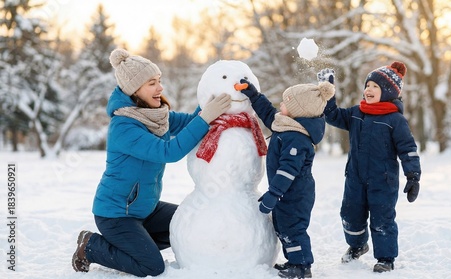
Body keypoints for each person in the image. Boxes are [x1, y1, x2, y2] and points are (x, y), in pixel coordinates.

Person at [71, 48, 231, 277]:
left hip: (146, 209)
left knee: (190, 223)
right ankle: (91, 246)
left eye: (159, 81)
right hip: (116, 215)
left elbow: (190, 123)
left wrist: (209, 99)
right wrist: (205, 117)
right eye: (152, 83)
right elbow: (169, 151)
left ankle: (136, 245)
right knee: (151, 266)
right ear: (135, 89)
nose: (160, 88)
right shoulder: (124, 127)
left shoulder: (155, 115)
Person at [317, 62, 421, 273]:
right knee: (349, 215)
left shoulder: (395, 120)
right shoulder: (357, 113)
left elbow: (408, 148)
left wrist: (413, 175)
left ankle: (385, 258)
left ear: (388, 91)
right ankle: (357, 245)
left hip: (383, 181)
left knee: (382, 219)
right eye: (367, 85)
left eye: (375, 86)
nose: (368, 90)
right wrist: (327, 93)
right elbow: (332, 115)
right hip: (355, 178)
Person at [238, 79, 335, 279]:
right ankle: (294, 260)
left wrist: (273, 194)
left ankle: (302, 266)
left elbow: (287, 171)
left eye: (285, 103)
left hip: (296, 194)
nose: (280, 106)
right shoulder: (286, 124)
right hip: (285, 192)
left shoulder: (297, 138)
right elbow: (267, 113)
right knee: (282, 225)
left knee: (293, 228)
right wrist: (254, 95)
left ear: (297, 110)